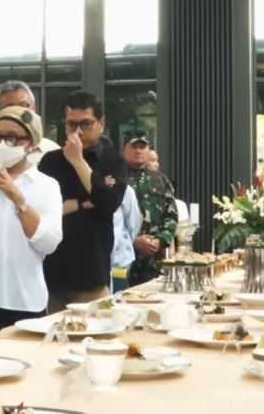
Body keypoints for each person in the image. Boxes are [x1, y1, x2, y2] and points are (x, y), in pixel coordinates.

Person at [0, 106, 62, 340]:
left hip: (22, 300)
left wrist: (18, 199)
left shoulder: (45, 186)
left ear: (31, 144)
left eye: (10, 138)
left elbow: (49, 243)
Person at [39, 90, 127, 312]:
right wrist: (84, 202)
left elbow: (107, 203)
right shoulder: (50, 161)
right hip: (52, 274)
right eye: (71, 125)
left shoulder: (112, 161)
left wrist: (78, 161)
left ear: (101, 123)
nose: (77, 132)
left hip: (92, 274)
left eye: (85, 124)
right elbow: (42, 210)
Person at [121, 133, 178, 286]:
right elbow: (109, 219)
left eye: (142, 147)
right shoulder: (113, 179)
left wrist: (160, 240)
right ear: (123, 149)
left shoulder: (160, 180)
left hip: (154, 261)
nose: (138, 151)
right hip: (123, 260)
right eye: (134, 147)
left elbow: (171, 215)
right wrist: (134, 241)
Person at [0, 80, 60, 164]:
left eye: (24, 105)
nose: (18, 112)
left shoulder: (52, 151)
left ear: (34, 108)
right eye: (11, 107)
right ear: (0, 112)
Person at [111, 185, 142, 293]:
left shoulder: (124, 189)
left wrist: (123, 242)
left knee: (116, 303)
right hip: (93, 261)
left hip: (118, 261)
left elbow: (134, 224)